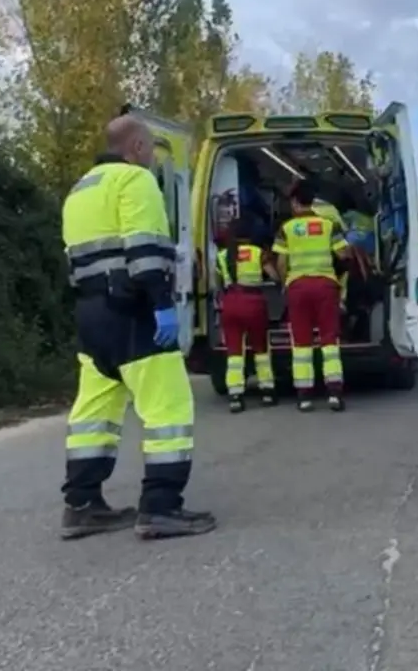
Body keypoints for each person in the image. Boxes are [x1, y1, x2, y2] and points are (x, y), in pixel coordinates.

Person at [60, 115, 216, 541]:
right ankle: (161, 507)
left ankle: (82, 506)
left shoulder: (80, 190)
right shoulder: (135, 182)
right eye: (149, 149)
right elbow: (145, 252)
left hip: (91, 315)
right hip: (132, 311)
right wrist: (163, 307)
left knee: (94, 413)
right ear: (139, 147)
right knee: (169, 409)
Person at [273, 180, 350, 412]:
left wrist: (286, 281)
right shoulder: (328, 225)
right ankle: (334, 393)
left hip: (298, 287)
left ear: (295, 202)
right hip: (326, 286)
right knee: (329, 339)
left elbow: (281, 262)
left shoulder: (286, 228)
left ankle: (304, 396)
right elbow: (344, 253)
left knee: (301, 341)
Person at [216, 218, 279, 412]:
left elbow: (217, 283)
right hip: (253, 303)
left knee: (234, 352)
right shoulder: (258, 253)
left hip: (230, 304)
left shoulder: (223, 255)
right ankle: (267, 390)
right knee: (260, 348)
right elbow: (275, 276)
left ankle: (235, 395)